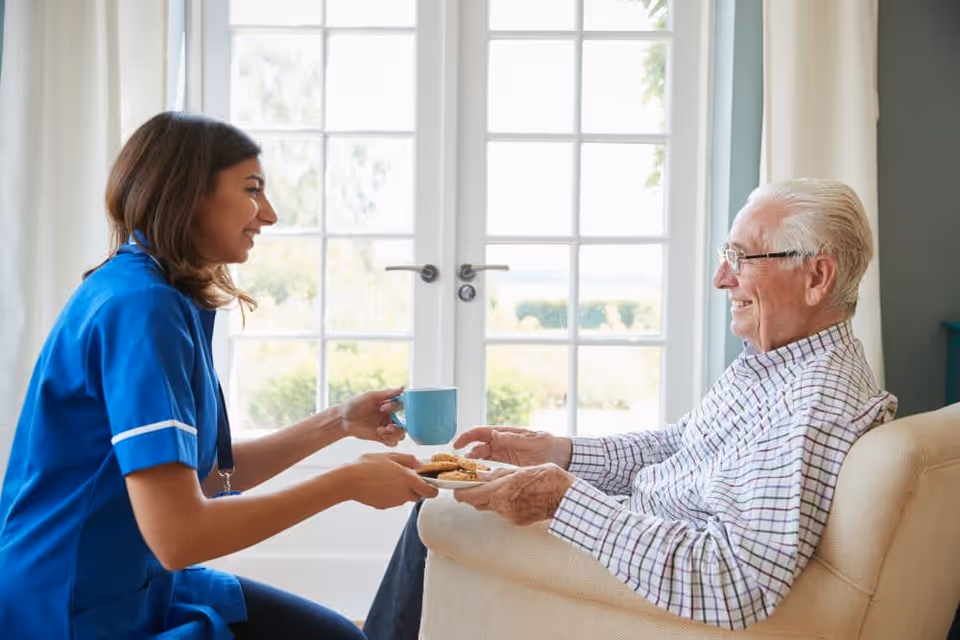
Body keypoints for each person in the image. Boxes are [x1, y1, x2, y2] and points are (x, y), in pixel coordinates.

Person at [363, 178, 898, 638]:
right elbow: (686, 443)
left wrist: (563, 500)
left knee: (434, 509)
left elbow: (734, 582)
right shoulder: (779, 361)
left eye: (741, 258)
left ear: (817, 276)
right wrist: (562, 453)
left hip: (651, 575)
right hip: (643, 531)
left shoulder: (814, 404)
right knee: (452, 484)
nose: (721, 278)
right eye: (723, 255)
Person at [0, 111, 439, 640]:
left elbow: (209, 477)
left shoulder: (160, 295)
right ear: (188, 193)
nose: (269, 214)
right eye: (252, 190)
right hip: (73, 607)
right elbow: (180, 536)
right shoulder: (140, 310)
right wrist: (346, 482)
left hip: (138, 584)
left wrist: (339, 422)